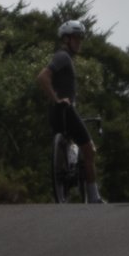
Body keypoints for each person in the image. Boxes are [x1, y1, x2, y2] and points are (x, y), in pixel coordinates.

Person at [36, 20, 105, 204]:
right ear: (66, 39)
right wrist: (57, 99)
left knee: (71, 145)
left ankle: (70, 177)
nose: (79, 42)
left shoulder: (65, 58)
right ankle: (94, 197)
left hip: (56, 113)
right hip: (64, 109)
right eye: (76, 38)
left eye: (80, 38)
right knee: (89, 151)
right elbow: (43, 76)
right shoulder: (63, 56)